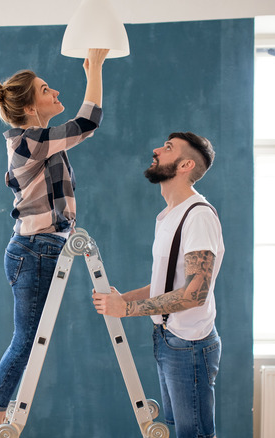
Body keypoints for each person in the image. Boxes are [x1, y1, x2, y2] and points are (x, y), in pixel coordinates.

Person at [0, 48, 109, 438]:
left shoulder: (43, 143)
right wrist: (95, 69)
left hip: (43, 249)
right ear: (31, 108)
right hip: (34, 251)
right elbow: (87, 122)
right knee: (26, 338)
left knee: (30, 337)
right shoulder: (26, 143)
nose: (54, 92)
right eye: (46, 90)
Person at [92, 132, 224, 438]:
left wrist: (126, 309)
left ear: (185, 165)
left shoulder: (198, 216)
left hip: (189, 344)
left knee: (195, 436)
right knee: (182, 431)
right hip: (168, 339)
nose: (156, 150)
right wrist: (122, 299)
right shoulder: (169, 215)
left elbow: (195, 294)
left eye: (168, 148)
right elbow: (165, 285)